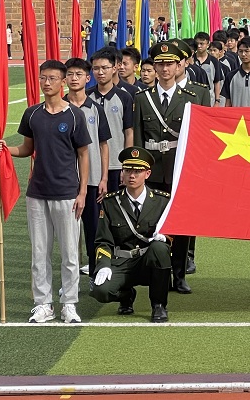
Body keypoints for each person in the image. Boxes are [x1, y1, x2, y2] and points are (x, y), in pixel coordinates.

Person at [0, 60, 91, 323]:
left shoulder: (74, 116)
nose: (46, 83)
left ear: (62, 82)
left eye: (52, 79)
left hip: (67, 193)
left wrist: (82, 192)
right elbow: (27, 149)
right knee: (39, 253)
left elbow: (84, 154)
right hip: (37, 193)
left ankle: (69, 303)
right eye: (43, 78)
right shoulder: (32, 114)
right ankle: (43, 303)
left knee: (70, 254)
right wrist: (5, 149)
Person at [133, 41, 203, 294]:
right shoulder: (142, 98)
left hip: (180, 168)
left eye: (169, 64)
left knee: (181, 224)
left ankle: (179, 274)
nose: (164, 69)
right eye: (160, 64)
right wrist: (139, 170)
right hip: (152, 170)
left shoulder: (194, 97)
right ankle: (154, 272)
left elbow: (200, 137)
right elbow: (139, 138)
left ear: (178, 66)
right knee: (152, 223)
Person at [91, 147, 172, 323]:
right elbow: (103, 241)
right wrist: (104, 265)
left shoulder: (162, 201)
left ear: (147, 173)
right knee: (100, 291)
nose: (132, 175)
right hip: (122, 262)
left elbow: (175, 233)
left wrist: (166, 238)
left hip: (148, 261)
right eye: (127, 170)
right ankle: (126, 295)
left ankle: (158, 305)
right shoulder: (111, 202)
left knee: (160, 248)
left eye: (137, 171)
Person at [65, 57, 112, 279]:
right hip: (64, 180)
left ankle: (95, 275)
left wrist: (103, 177)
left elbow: (104, 145)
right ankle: (70, 280)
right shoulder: (58, 107)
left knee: (93, 231)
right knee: (68, 235)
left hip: (92, 180)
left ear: (87, 77)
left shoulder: (95, 109)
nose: (74, 78)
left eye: (79, 74)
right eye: (70, 74)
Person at [88, 48, 135, 194]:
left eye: (104, 68)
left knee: (116, 210)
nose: (100, 72)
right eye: (96, 68)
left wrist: (126, 165)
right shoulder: (85, 96)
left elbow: (129, 133)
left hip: (116, 164)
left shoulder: (124, 97)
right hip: (90, 164)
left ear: (114, 68)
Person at [193, 32, 224, 106]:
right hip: (193, 97)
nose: (199, 46)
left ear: (208, 44)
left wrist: (217, 101)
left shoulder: (214, 61)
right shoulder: (191, 60)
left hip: (210, 98)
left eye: (202, 43)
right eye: (197, 43)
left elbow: (217, 82)